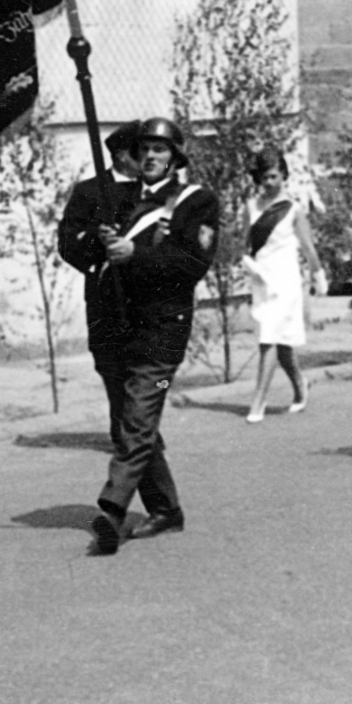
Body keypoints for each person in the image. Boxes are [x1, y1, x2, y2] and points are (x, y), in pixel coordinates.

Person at [84, 118, 219, 555]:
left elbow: (191, 263)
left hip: (164, 337)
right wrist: (107, 243)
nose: (150, 157)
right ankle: (165, 510)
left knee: (140, 416)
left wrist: (134, 253)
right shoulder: (124, 203)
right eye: (144, 150)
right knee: (132, 420)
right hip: (123, 328)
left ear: (175, 157)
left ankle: (112, 510)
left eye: (159, 150)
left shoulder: (195, 203)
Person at [56, 121, 143, 441]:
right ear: (121, 155)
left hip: (146, 295)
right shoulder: (89, 192)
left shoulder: (155, 191)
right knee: (110, 363)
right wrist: (97, 242)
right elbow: (67, 243)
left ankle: (142, 425)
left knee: (151, 370)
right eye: (140, 151)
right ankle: (121, 423)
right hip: (106, 295)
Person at [242, 149, 323, 423]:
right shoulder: (251, 208)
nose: (269, 182)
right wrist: (248, 265)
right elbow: (245, 245)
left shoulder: (293, 210)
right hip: (261, 280)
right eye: (265, 177)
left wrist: (318, 274)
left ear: (284, 176)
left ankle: (258, 402)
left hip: (285, 282)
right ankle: (300, 383)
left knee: (269, 337)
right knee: (282, 343)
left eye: (275, 176)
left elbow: (309, 247)